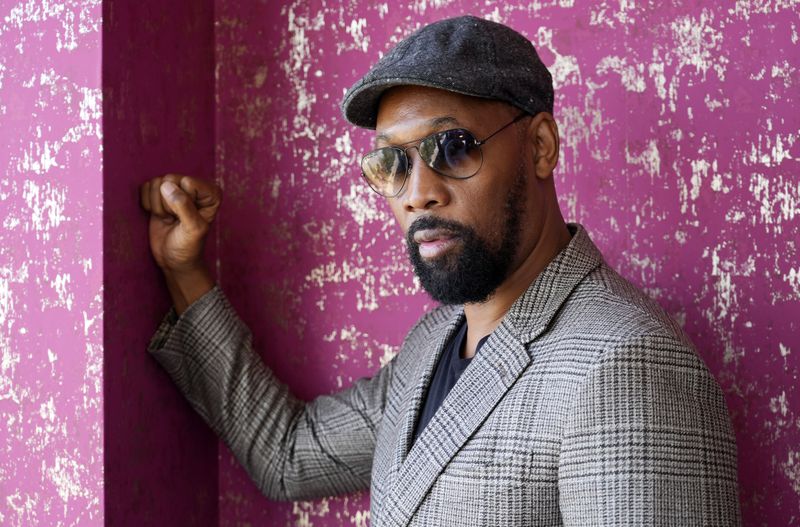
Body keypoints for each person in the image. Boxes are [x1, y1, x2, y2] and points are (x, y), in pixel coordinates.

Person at [140, 15, 741, 526]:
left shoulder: (625, 366)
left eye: (453, 147)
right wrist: (184, 269)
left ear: (540, 147)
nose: (416, 194)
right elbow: (288, 454)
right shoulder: (433, 344)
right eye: (392, 164)